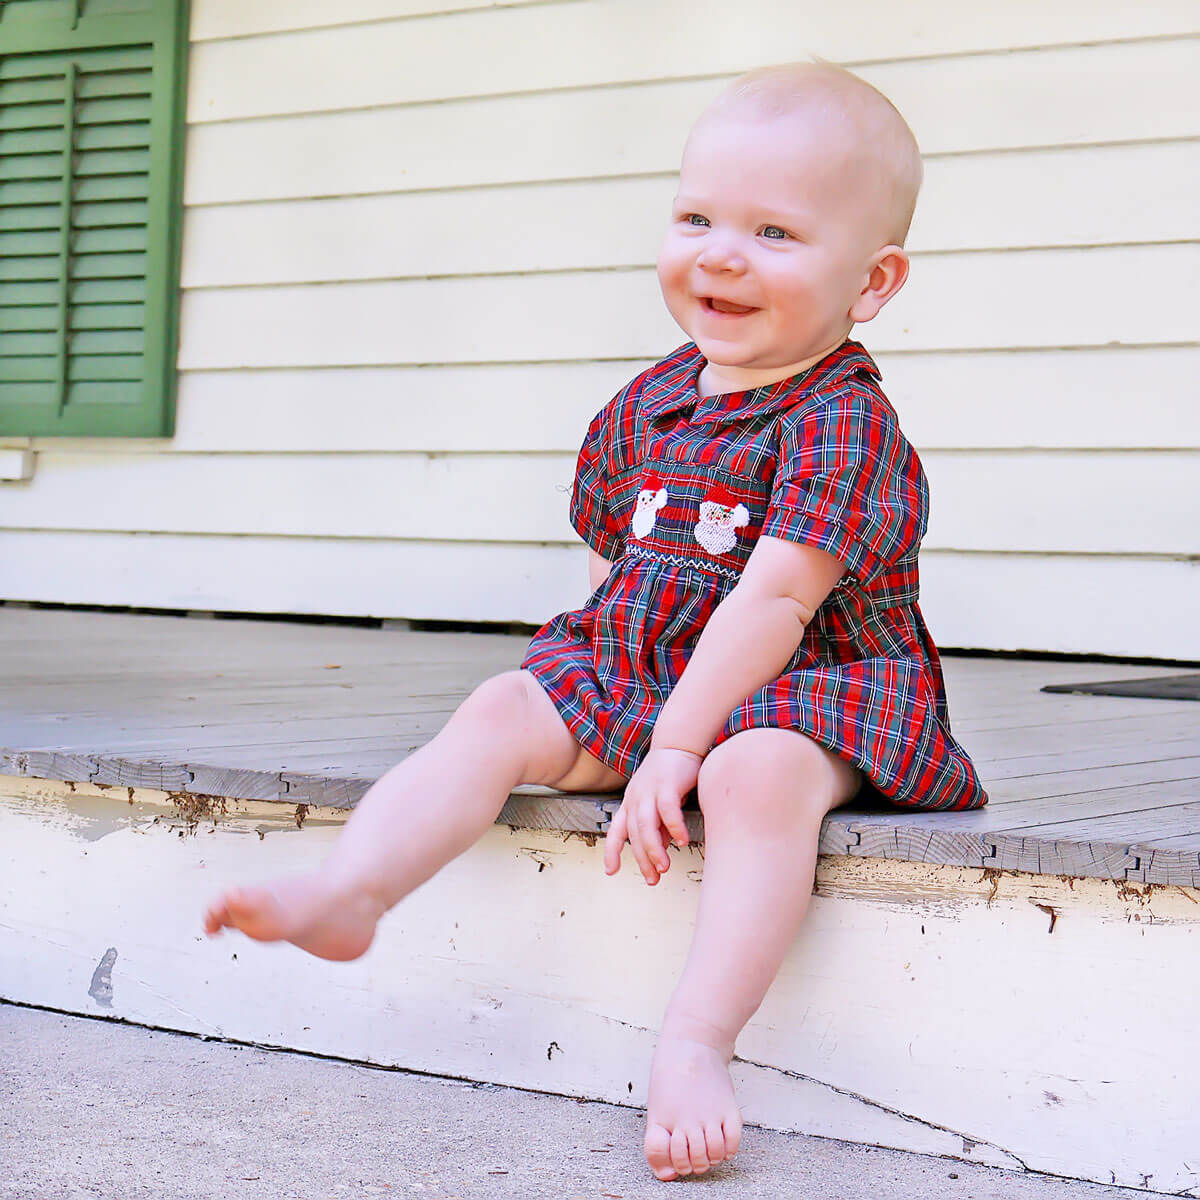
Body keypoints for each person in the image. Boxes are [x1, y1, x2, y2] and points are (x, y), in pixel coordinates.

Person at [202, 60, 988, 1183]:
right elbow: (614, 559)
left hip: (811, 684)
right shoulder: (648, 402)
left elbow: (774, 601)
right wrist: (603, 704)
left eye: (774, 231)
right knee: (502, 707)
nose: (721, 253)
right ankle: (353, 890)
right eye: (697, 218)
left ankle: (696, 1042)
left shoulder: (842, 424)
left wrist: (677, 745)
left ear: (873, 281)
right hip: (661, 674)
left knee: (753, 774)